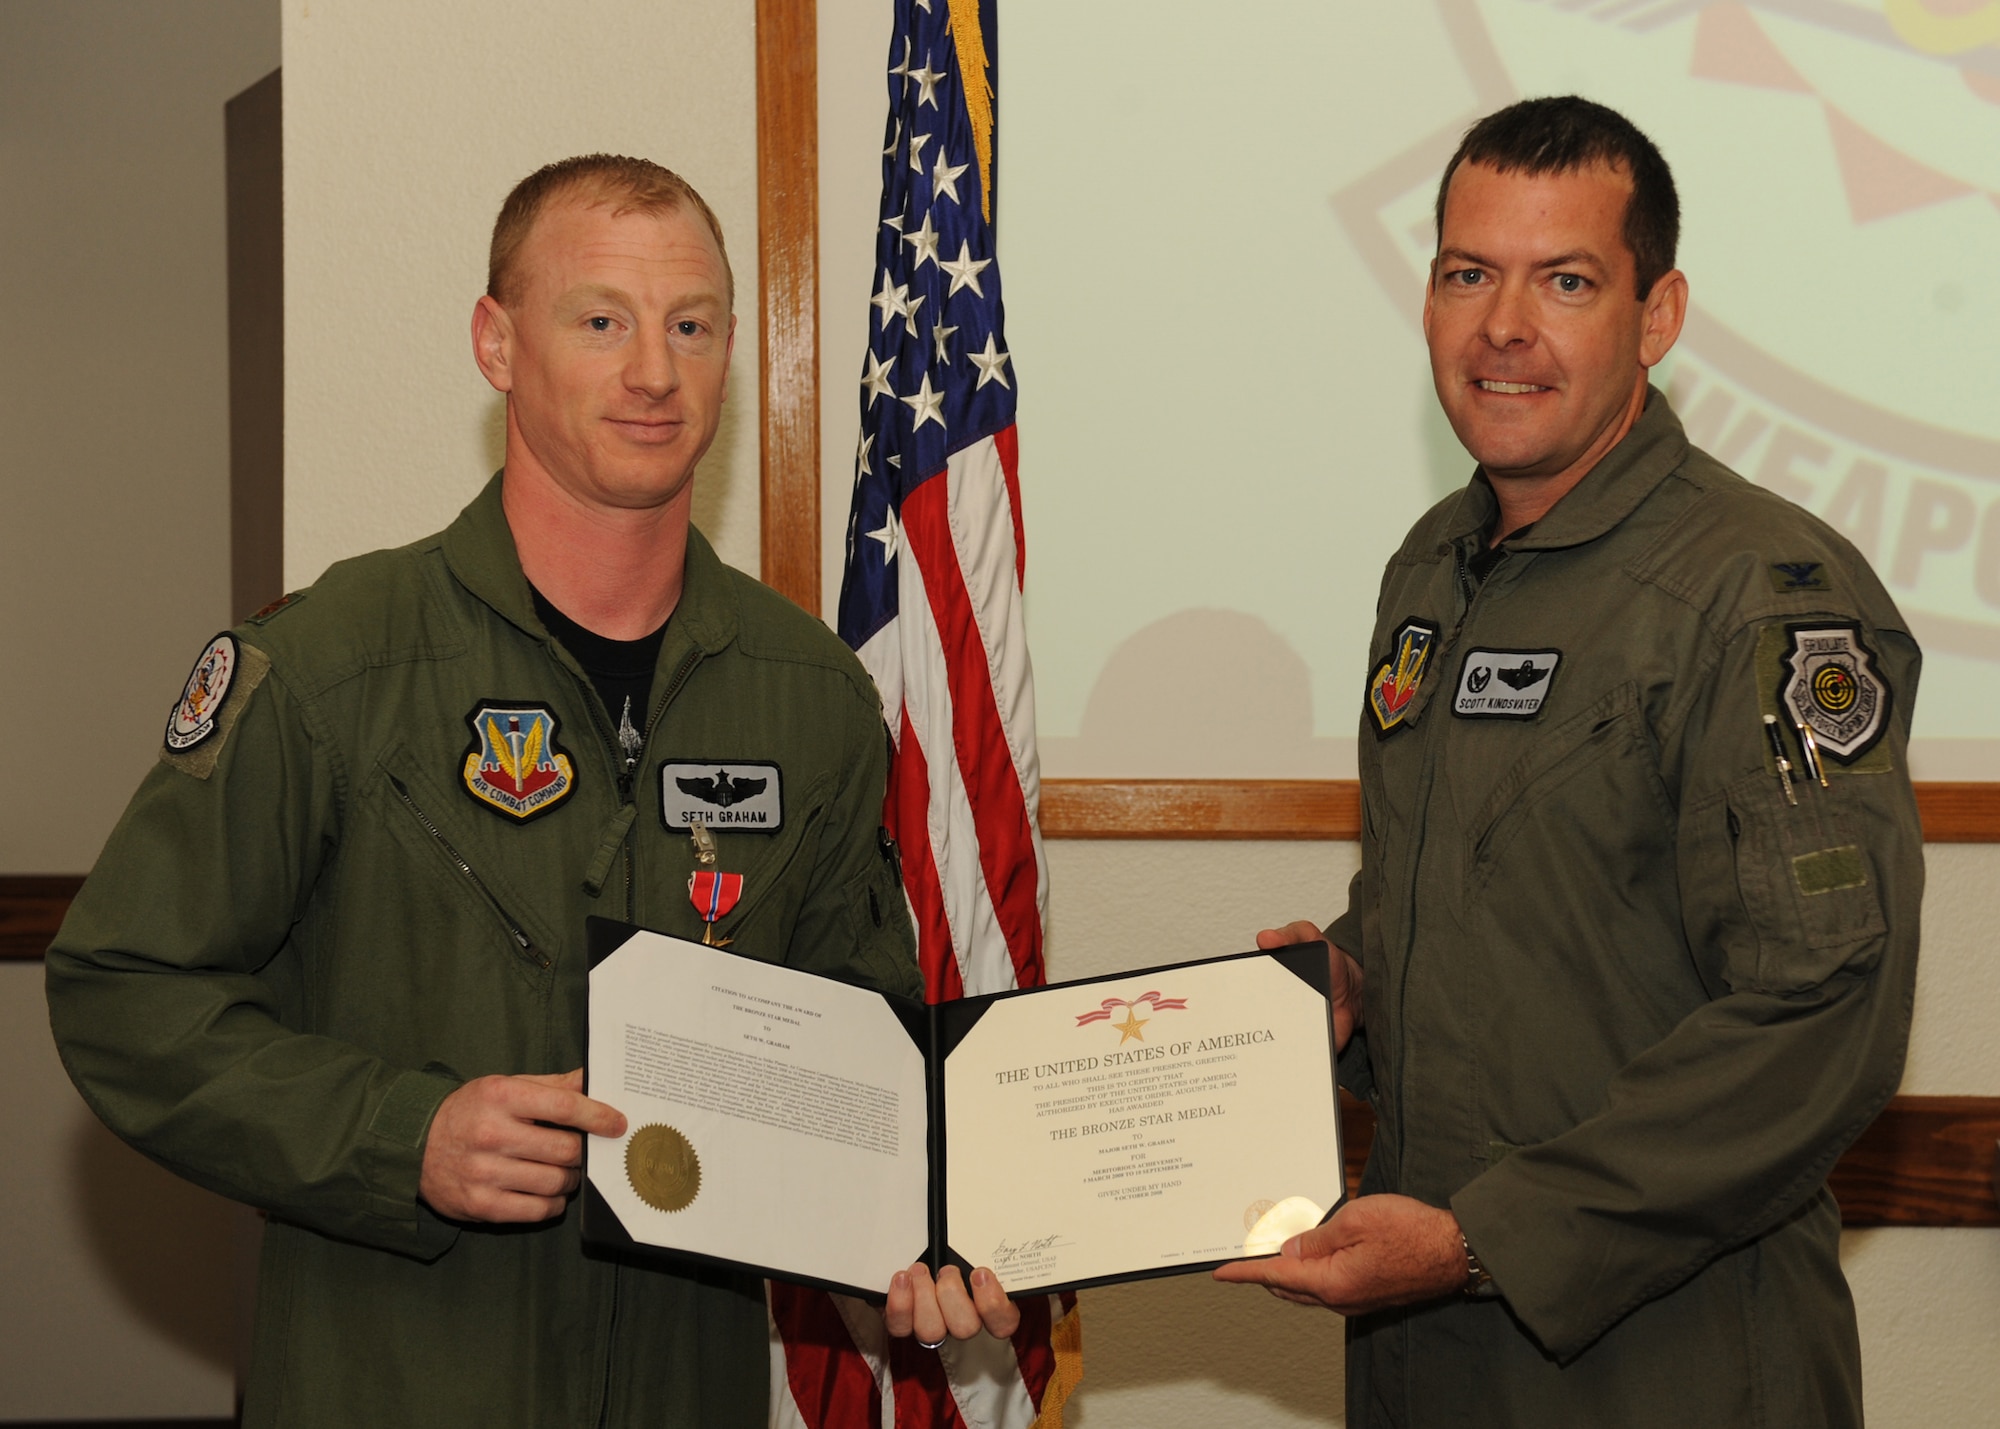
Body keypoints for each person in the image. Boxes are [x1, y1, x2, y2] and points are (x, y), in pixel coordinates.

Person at [46, 154, 1006, 1428]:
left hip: (684, 1385)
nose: (654, 372)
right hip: (391, 1377)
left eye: (691, 325)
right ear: (497, 345)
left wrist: (931, 1228)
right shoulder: (335, 662)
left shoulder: (808, 695)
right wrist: (401, 1132)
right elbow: (124, 990)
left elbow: (861, 1044)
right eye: (599, 320)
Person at [1215, 98, 1921, 1426]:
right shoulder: (1433, 568)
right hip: (1431, 1353)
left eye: (1568, 281)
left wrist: (1485, 1238)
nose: (1504, 328)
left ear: (1657, 317)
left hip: (1670, 1364)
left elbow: (1816, 1017)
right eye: (1467, 274)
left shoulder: (1765, 598)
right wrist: (1356, 979)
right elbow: (1502, 891)